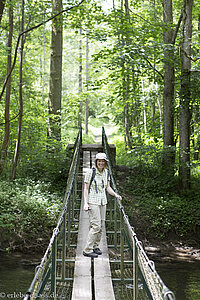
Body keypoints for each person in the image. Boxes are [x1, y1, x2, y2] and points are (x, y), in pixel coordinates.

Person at [83, 152, 122, 258]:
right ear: (96, 162)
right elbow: (86, 189)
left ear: (105, 163)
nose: (101, 163)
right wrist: (85, 203)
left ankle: (95, 246)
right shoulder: (90, 172)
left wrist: (115, 195)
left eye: (102, 161)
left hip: (102, 201)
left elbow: (107, 187)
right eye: (99, 161)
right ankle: (87, 249)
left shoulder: (107, 172)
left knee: (101, 226)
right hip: (93, 201)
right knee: (96, 225)